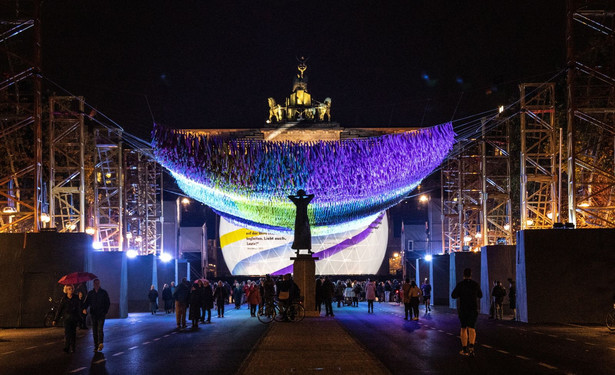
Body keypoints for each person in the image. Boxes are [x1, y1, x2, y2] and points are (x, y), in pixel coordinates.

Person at [451, 268, 483, 357]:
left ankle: (464, 349)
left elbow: (453, 295)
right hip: (473, 308)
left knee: (463, 328)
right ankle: (471, 347)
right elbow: (480, 295)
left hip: (463, 309)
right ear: (471, 275)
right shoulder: (475, 284)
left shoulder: (460, 285)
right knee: (472, 328)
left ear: (463, 275)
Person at [82, 278, 110, 352]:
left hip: (101, 314)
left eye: (98, 283)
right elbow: (86, 302)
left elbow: (107, 303)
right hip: (93, 314)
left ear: (99, 284)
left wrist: (105, 311)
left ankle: (100, 343)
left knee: (100, 329)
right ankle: (96, 346)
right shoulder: (91, 293)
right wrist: (84, 308)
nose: (96, 285)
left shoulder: (103, 293)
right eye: (95, 283)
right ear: (93, 284)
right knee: (94, 330)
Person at [53, 284, 81, 353]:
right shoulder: (64, 299)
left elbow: (79, 307)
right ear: (66, 290)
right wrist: (55, 319)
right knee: (67, 333)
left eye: (71, 289)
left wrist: (81, 298)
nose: (70, 290)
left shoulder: (76, 297)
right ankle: (67, 346)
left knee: (73, 333)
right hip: (67, 318)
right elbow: (59, 309)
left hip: (74, 318)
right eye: (69, 289)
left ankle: (73, 347)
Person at [288, 189, 315, 254]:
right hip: (304, 218)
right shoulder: (305, 200)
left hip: (299, 219)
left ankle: (298, 250)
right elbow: (312, 196)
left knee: (298, 234)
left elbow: (290, 196)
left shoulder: (297, 201)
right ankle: (308, 250)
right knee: (306, 234)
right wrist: (305, 195)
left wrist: (296, 196)